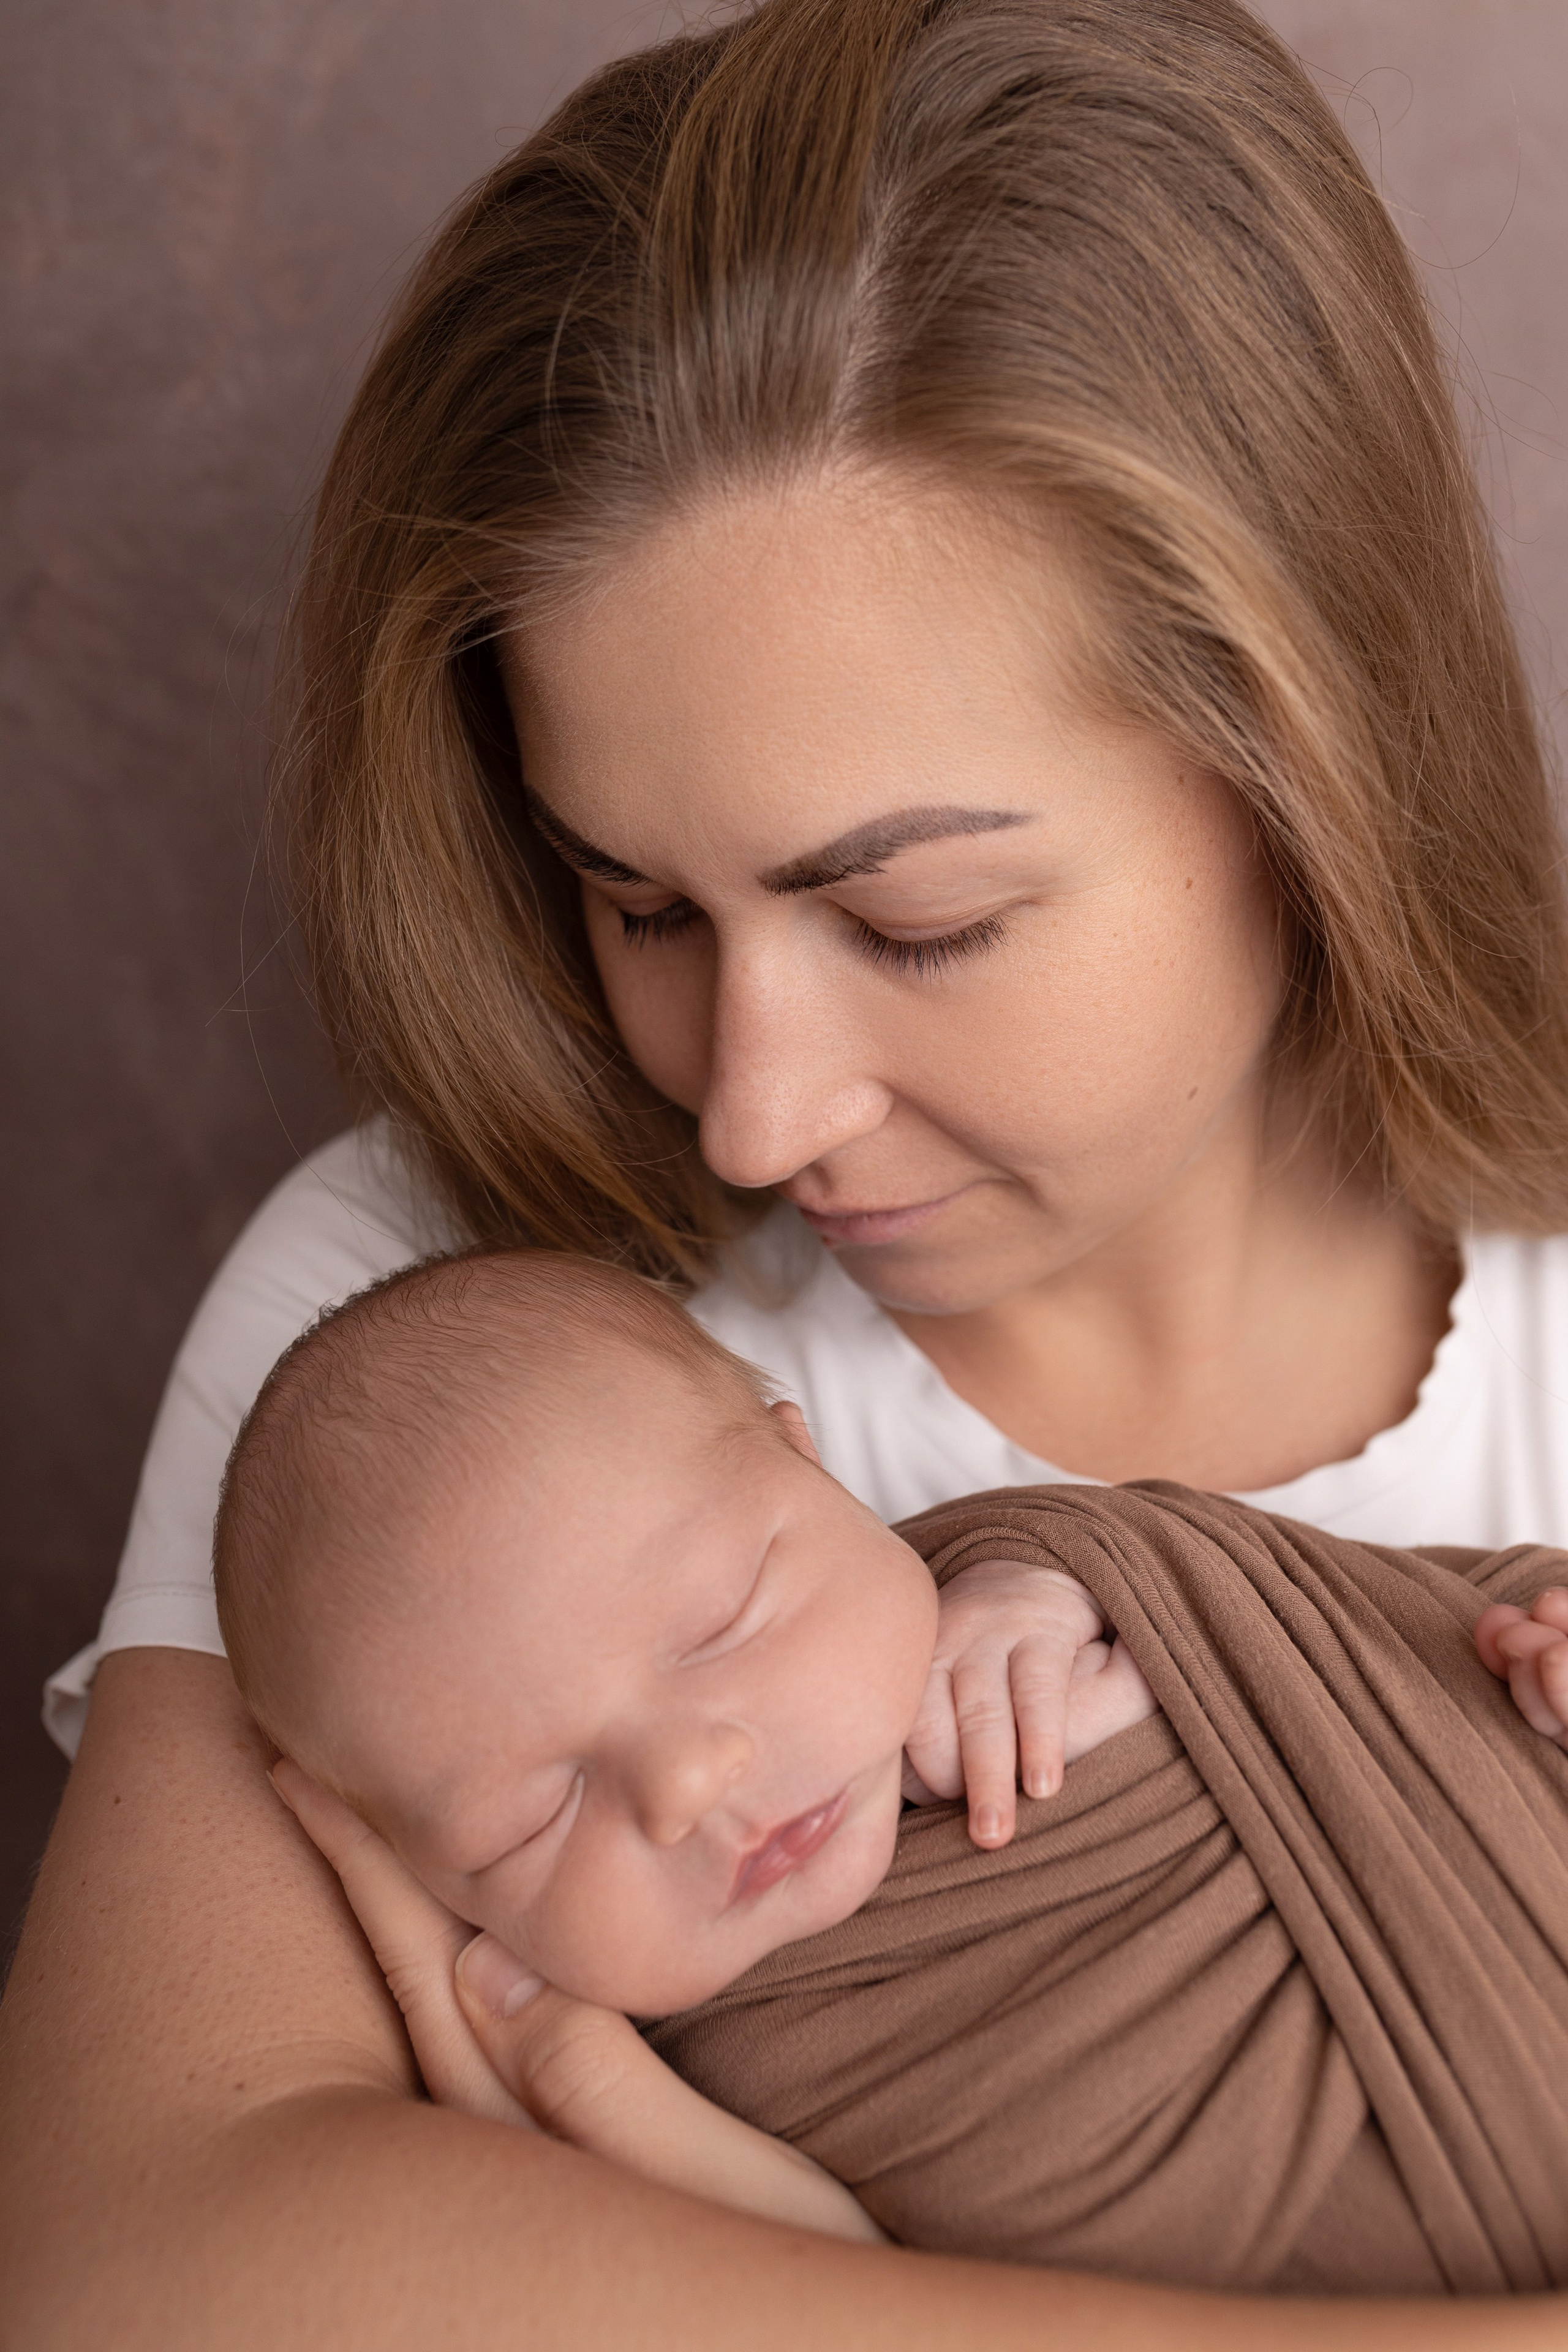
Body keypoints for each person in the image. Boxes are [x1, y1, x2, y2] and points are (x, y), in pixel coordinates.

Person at [6, 0, 1568, 2341]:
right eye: (639, 907)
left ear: (1301, 756)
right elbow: (144, 2271)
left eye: (913, 924)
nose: (745, 1114)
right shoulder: (434, 1319)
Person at [213, 1246, 1568, 2292]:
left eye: (719, 1624)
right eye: (532, 1814)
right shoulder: (662, 2125)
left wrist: (1073, 1577)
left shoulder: (1046, 1588)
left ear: (816, 1475)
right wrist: (781, 2254)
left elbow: (1359, 1649)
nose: (685, 1786)